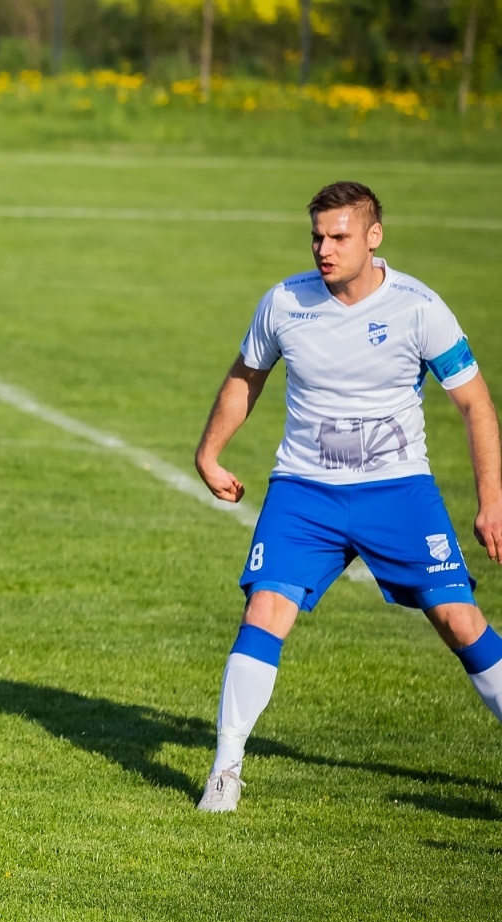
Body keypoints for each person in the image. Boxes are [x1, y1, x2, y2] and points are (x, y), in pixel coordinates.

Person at [193, 180, 502, 813]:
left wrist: (491, 500)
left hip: (398, 492)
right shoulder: (284, 303)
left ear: (372, 236)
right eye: (316, 236)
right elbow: (244, 378)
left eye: (338, 236)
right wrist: (209, 453)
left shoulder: (419, 307)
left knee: (459, 620)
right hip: (305, 492)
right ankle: (225, 772)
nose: (323, 249)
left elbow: (474, 403)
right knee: (264, 612)